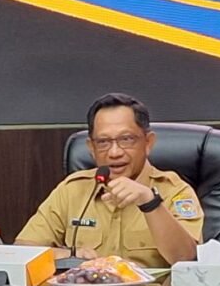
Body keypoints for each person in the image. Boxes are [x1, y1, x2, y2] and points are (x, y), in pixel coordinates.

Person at [15, 93, 203, 267]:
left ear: (148, 143)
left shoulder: (174, 190)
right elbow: (22, 251)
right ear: (91, 148)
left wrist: (149, 202)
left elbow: (187, 259)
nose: (114, 152)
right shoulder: (73, 190)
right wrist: (68, 255)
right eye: (103, 142)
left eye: (126, 139)